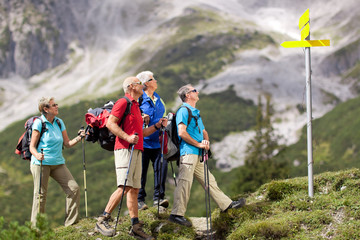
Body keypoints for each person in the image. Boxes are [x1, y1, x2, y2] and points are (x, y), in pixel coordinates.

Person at [95, 77, 167, 239]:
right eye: (138, 83)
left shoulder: (135, 105)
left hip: (137, 150)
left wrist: (157, 126)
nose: (142, 85)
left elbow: (142, 133)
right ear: (131, 87)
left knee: (134, 188)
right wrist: (127, 137)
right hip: (124, 149)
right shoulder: (123, 102)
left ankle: (135, 225)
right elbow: (110, 124)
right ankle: (103, 218)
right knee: (125, 186)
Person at [168, 84, 246, 227]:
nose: (197, 92)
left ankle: (226, 205)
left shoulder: (195, 112)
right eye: (194, 90)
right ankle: (176, 214)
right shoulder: (183, 110)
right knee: (185, 182)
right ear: (187, 95)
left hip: (198, 154)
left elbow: (203, 132)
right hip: (188, 153)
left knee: (209, 181)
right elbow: (181, 132)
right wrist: (198, 144)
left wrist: (206, 142)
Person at [29, 97, 84, 227]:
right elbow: (32, 146)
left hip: (58, 163)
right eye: (54, 105)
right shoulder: (39, 123)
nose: (57, 107)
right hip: (40, 164)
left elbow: (67, 143)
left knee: (74, 188)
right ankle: (36, 230)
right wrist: (37, 154)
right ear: (45, 109)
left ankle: (71, 224)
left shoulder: (59, 122)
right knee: (40, 196)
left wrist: (80, 137)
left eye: (56, 104)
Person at [136, 71, 169, 211]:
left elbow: (164, 114)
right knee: (141, 172)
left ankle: (159, 199)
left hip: (157, 141)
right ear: (146, 83)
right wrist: (141, 115)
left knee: (161, 167)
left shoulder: (159, 99)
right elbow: (132, 115)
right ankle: (139, 200)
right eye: (152, 79)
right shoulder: (139, 98)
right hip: (142, 142)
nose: (156, 80)